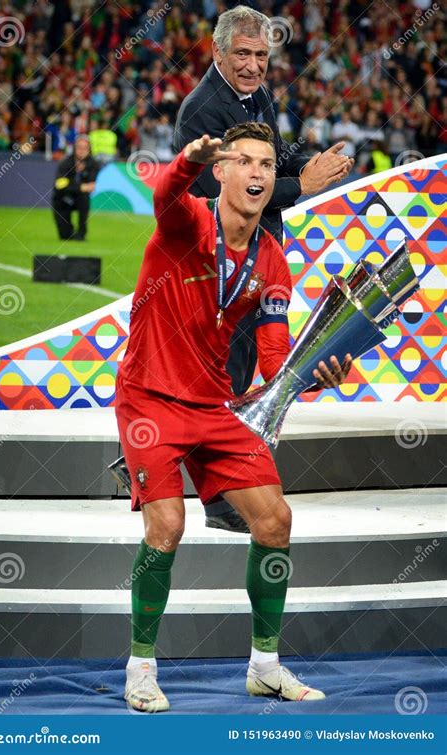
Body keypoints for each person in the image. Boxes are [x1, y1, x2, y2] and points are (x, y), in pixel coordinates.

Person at [115, 122, 352, 713]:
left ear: (275, 179)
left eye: (267, 165)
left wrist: (312, 373)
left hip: (216, 405)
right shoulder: (187, 222)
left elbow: (274, 358)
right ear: (220, 172)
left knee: (275, 521)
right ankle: (140, 669)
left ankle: (265, 668)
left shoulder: (272, 260)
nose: (256, 173)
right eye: (243, 161)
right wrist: (185, 161)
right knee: (166, 527)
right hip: (150, 398)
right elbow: (163, 197)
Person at [172, 5, 354, 533]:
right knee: (221, 372)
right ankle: (212, 494)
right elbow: (224, 193)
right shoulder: (200, 111)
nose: (253, 65)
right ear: (217, 52)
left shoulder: (258, 96)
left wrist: (307, 167)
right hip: (221, 266)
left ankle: (225, 480)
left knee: (245, 365)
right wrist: (305, 187)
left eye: (261, 56)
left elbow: (268, 167)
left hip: (259, 257)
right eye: (243, 55)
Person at [52, 135, 99, 241]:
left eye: (85, 148)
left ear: (89, 149)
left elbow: (91, 186)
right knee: (64, 236)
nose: (82, 151)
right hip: (62, 197)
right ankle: (69, 231)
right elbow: (60, 185)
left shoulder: (93, 164)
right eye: (79, 147)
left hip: (80, 198)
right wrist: (81, 186)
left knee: (84, 198)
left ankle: (82, 233)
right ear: (74, 148)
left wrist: (73, 184)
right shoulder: (65, 162)